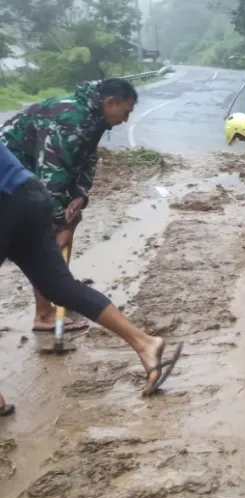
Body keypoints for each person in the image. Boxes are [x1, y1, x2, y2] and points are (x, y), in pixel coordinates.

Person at [0, 143, 182, 417]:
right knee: (59, 286)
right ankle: (145, 343)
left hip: (5, 200)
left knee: (58, 285)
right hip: (28, 193)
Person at [0, 79, 138, 335]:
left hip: (32, 179)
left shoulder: (95, 117)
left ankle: (56, 302)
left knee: (65, 229)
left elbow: (88, 157)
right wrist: (58, 222)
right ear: (111, 103)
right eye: (126, 112)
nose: (126, 120)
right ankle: (45, 313)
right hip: (13, 181)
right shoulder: (71, 118)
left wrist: (79, 196)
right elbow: (49, 177)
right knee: (47, 238)